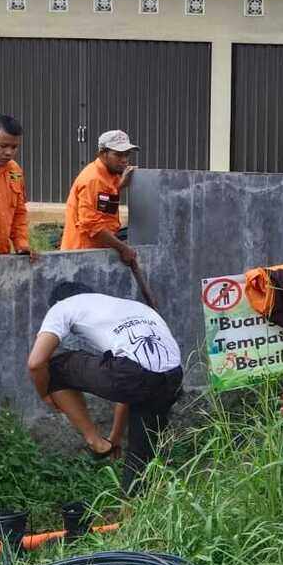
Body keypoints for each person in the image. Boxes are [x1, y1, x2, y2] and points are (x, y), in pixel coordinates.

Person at [26, 282, 184, 495]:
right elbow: (131, 388)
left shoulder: (62, 307)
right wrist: (115, 437)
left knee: (51, 366)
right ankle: (135, 517)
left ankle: (94, 441)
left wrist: (45, 393)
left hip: (132, 375)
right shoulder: (127, 307)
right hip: (172, 377)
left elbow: (36, 363)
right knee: (140, 454)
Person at [61, 130, 138, 264]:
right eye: (118, 155)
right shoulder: (93, 180)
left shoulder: (111, 175)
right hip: (81, 256)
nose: (124, 160)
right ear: (102, 153)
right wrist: (123, 248)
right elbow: (92, 226)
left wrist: (119, 186)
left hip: (95, 253)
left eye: (127, 154)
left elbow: (103, 206)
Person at [0, 115, 34, 259]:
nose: (9, 152)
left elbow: (19, 212)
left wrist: (21, 244)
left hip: (2, 257)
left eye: (14, 147)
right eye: (2, 146)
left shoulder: (15, 171)